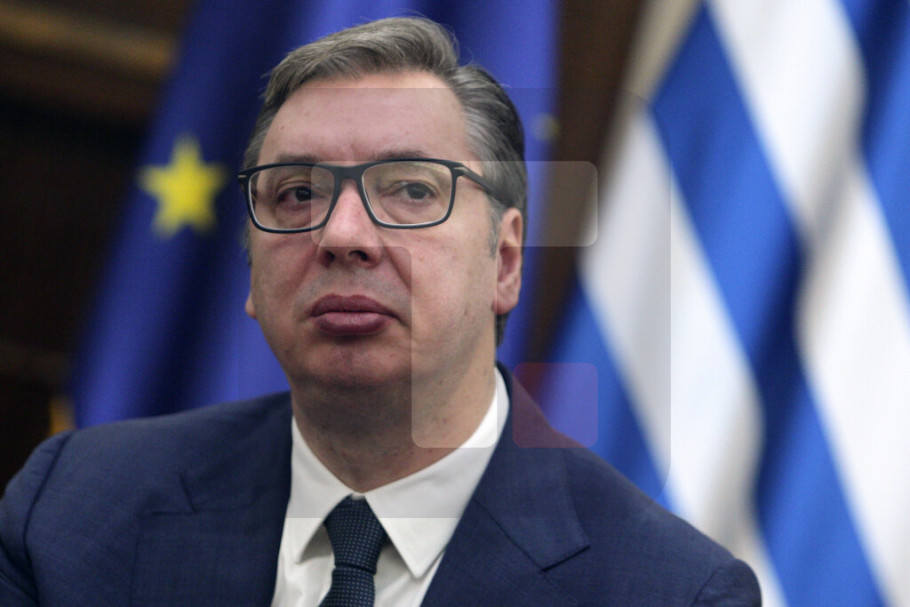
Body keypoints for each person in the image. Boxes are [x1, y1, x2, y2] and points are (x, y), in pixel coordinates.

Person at [0, 17, 761, 606]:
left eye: (411, 191)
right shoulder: (76, 508)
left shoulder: (666, 591)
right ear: (252, 272)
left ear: (504, 262)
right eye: (297, 193)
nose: (342, 235)